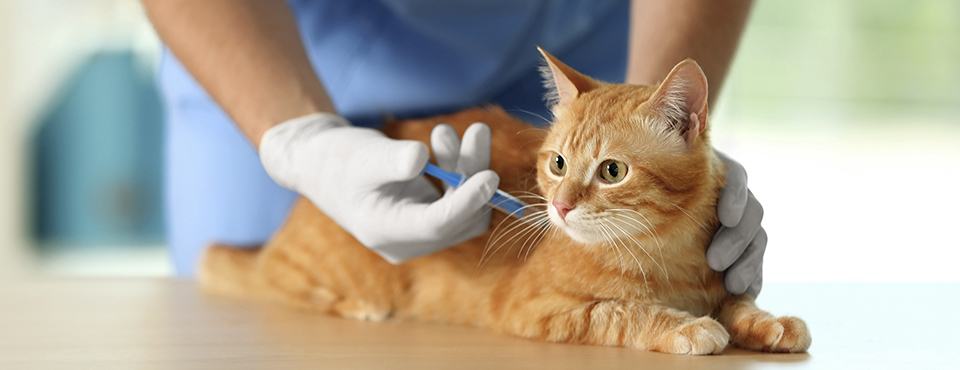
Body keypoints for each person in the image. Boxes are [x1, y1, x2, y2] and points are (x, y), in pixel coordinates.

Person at [143, 0, 765, 296]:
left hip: (575, 51)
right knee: (250, 318)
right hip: (290, 43)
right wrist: (298, 137)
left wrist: (668, 133)